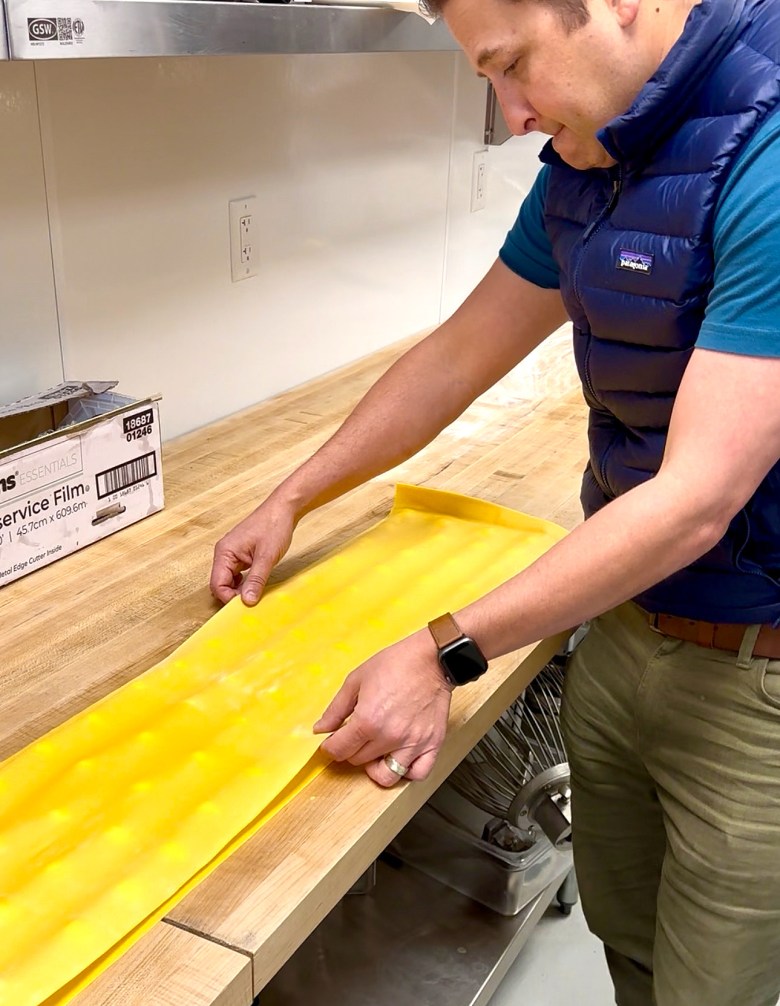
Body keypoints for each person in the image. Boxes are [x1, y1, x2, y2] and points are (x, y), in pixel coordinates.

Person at [210, 0, 780, 1001]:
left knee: (715, 988)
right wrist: (292, 497)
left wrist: (444, 649)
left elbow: (698, 499)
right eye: (487, 79)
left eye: (513, 65)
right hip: (624, 633)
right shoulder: (592, 158)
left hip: (754, 685)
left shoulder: (765, 150)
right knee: (632, 948)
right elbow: (459, 355)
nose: (511, 113)